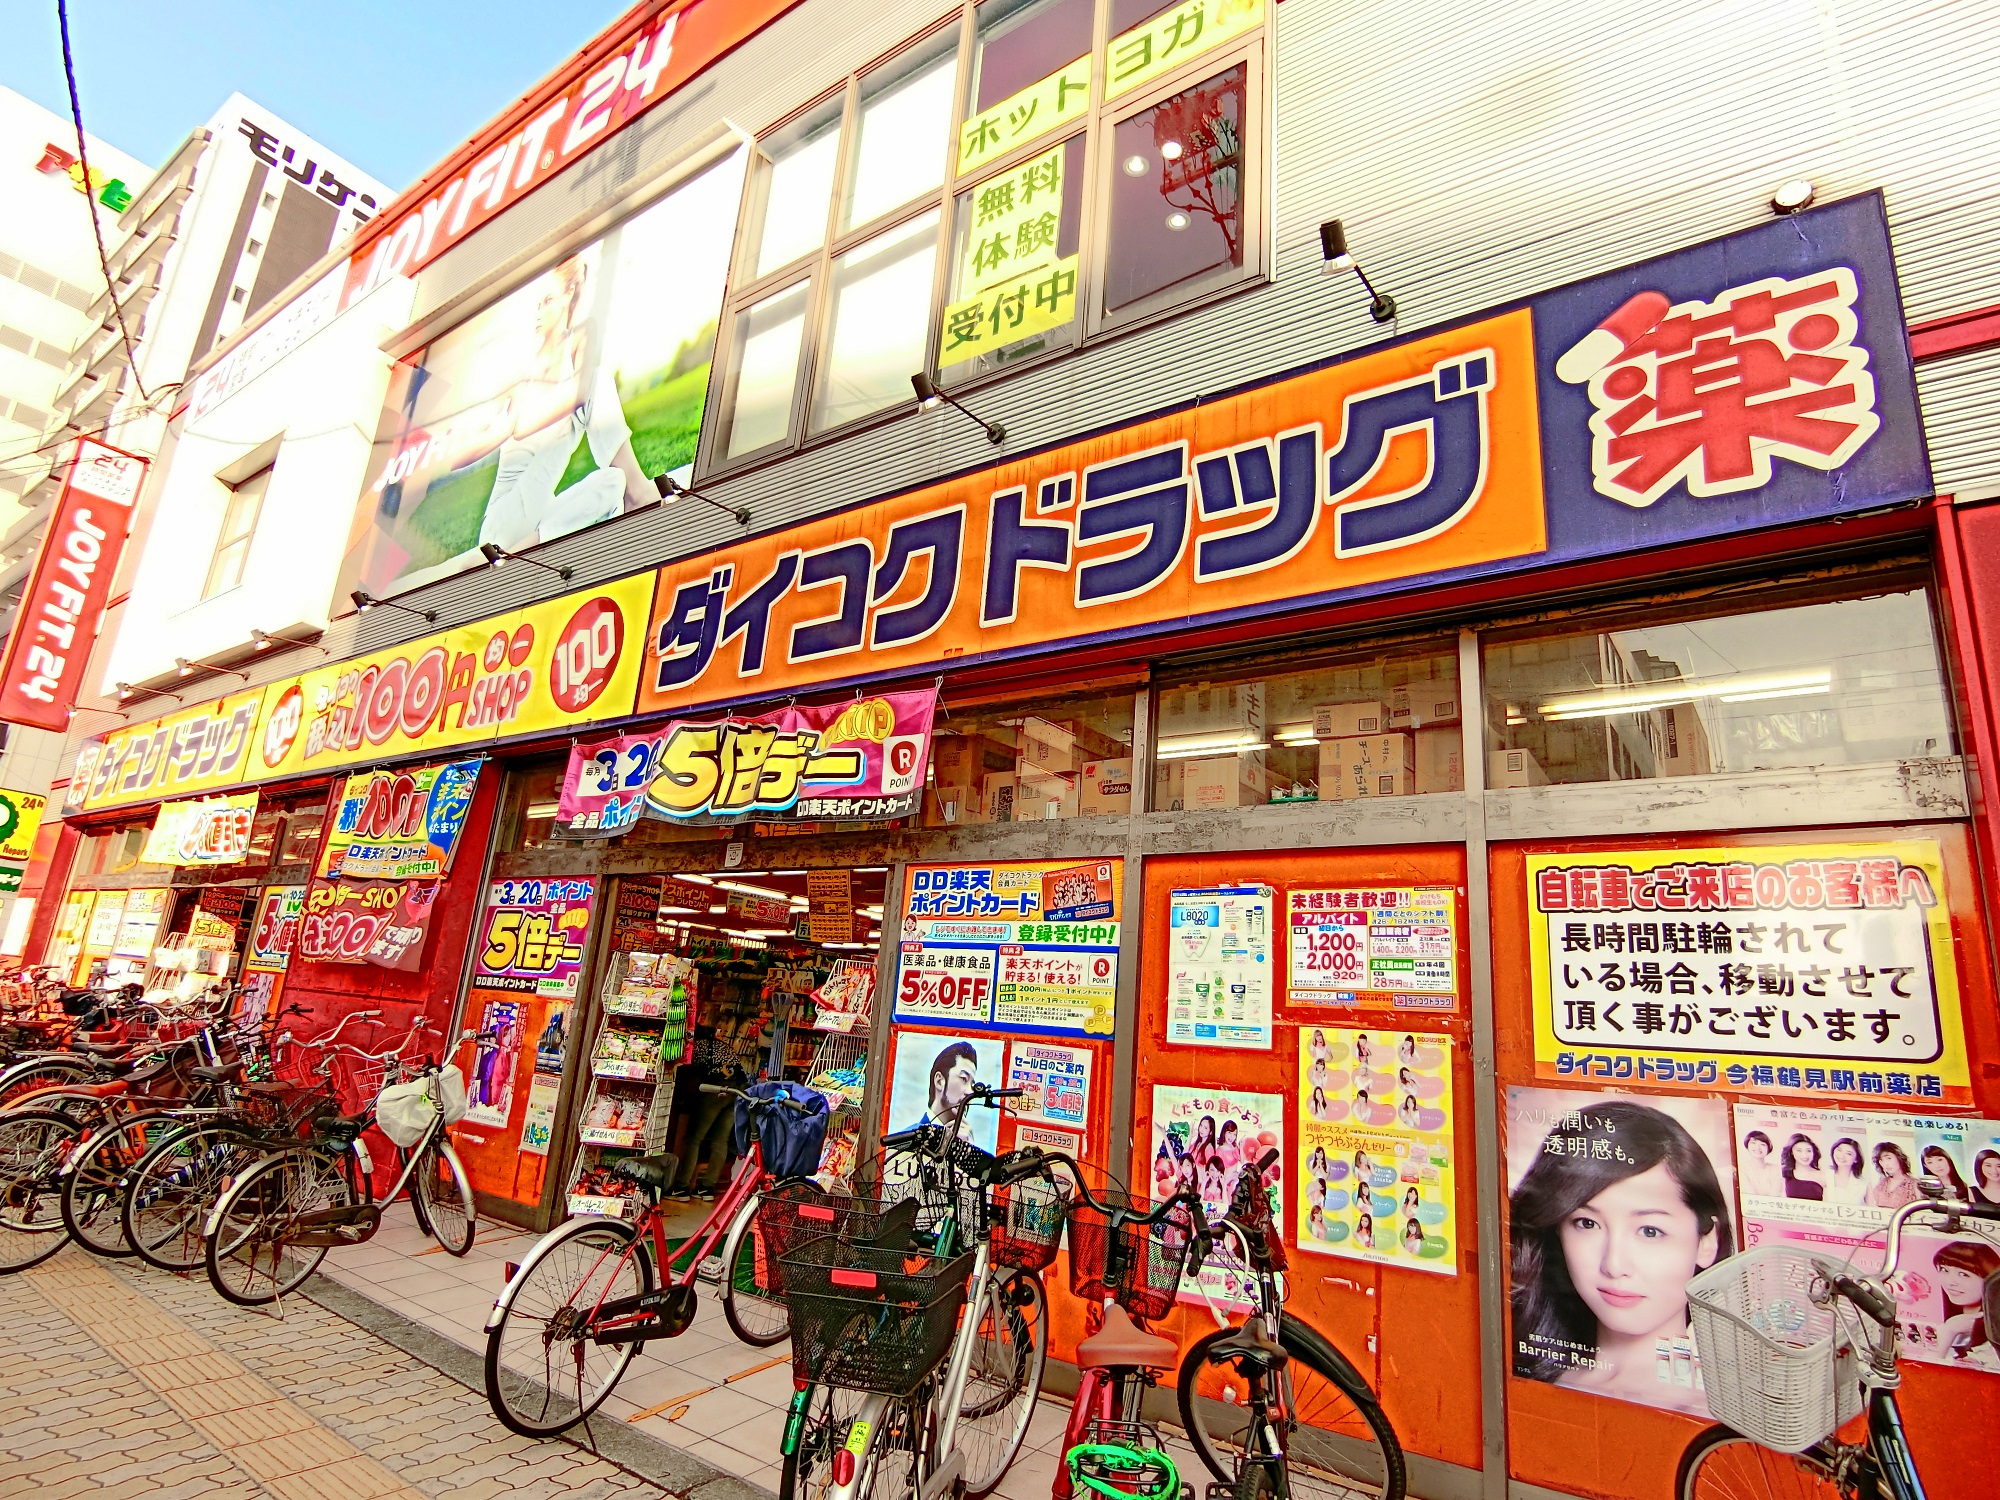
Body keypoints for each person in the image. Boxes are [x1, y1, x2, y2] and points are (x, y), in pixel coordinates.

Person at [1510, 1100, 1734, 1411]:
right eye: (1587, 1223)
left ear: (1707, 1241)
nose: (1614, 1266)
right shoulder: (1521, 1372)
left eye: (1650, 1231)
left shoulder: (1722, 1410)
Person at [669, 1025, 747, 1198]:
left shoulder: (698, 1046)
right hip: (737, 1092)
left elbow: (687, 1071)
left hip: (714, 1090)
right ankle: (707, 1187)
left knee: (694, 1139)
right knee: (720, 1141)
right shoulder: (722, 1045)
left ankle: (682, 1187)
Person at [1933, 1240, 2000, 1370]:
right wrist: (1949, 1330)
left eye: (1964, 1274)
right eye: (1944, 1270)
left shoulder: (1992, 1340)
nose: (1951, 1282)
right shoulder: (1943, 1322)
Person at [921, 1041, 980, 1127]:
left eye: (972, 1086)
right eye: (964, 1079)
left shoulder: (967, 1135)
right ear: (939, 1081)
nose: (970, 1092)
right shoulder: (909, 1135)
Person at [1870, 1141, 1923, 1209]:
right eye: (1881, 1160)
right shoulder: (1881, 1183)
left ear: (1899, 1158)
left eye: (1889, 1158)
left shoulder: (1914, 1184)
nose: (1886, 1164)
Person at [1824, 1138, 1871, 1207]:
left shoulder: (1864, 1184)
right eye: (1839, 1150)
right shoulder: (1825, 1176)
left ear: (1856, 1159)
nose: (1842, 1156)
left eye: (1848, 1154)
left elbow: (1872, 1209)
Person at [1738, 1129, 1782, 1199]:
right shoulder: (1741, 1169)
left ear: (1768, 1148)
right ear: (1747, 1145)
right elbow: (1749, 1196)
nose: (1757, 1147)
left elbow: (1775, 1196)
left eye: (1762, 1144)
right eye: (1753, 1143)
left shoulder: (1777, 1169)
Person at [1782, 1135, 1825, 1201]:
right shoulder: (1784, 1174)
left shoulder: (1822, 1176)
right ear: (1791, 1152)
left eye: (1808, 1151)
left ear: (1813, 1152)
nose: (1804, 1155)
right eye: (1799, 1150)